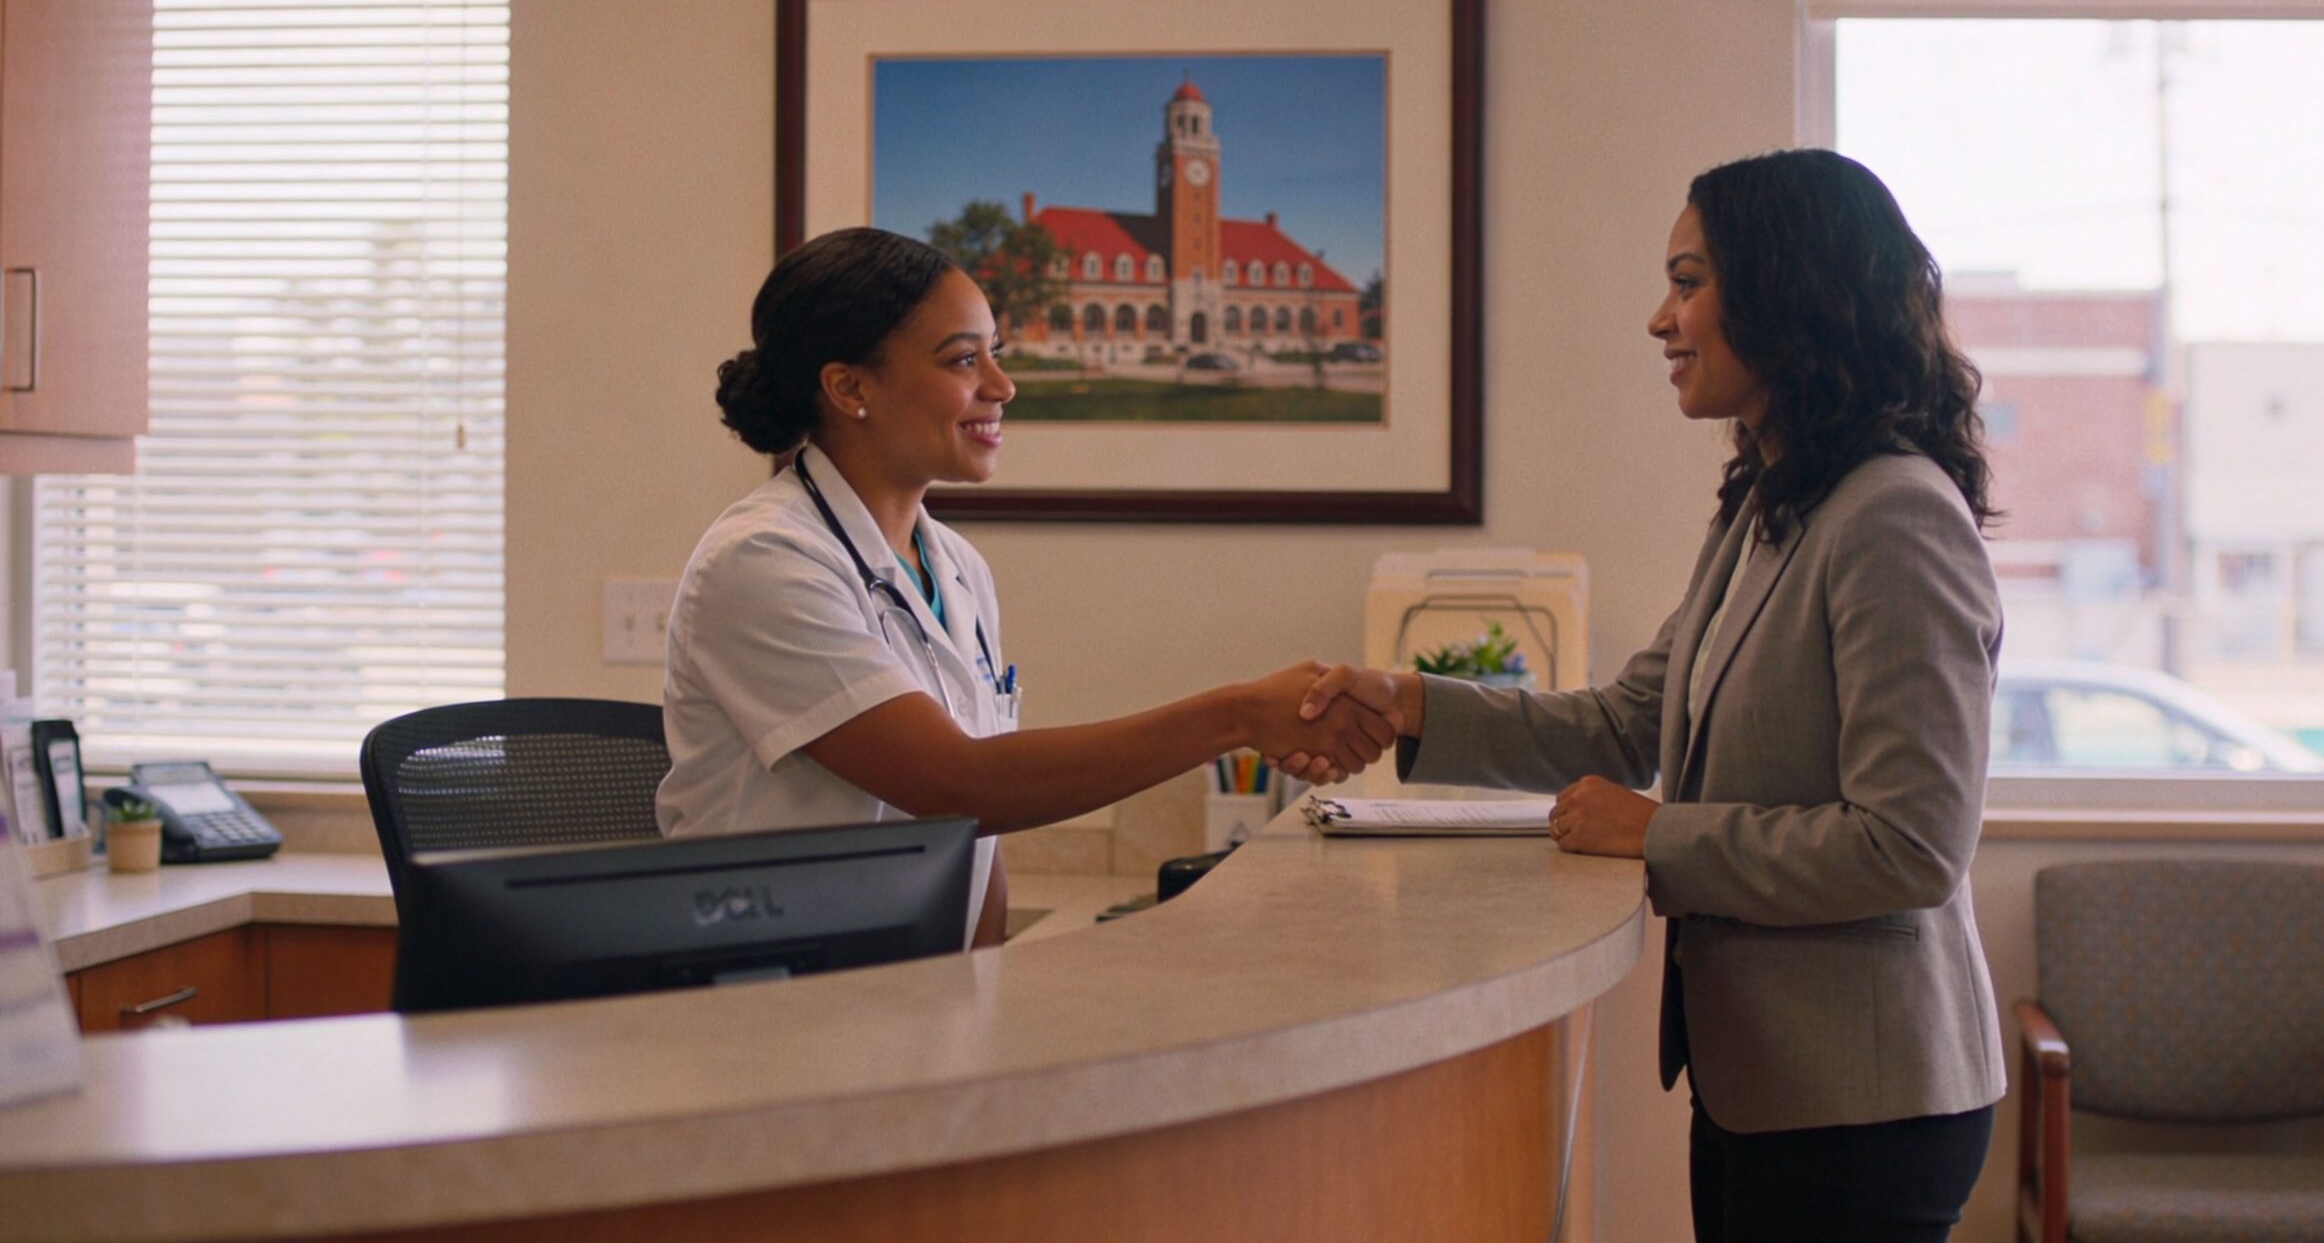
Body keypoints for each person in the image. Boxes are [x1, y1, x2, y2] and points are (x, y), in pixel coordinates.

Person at [1299, 150, 2007, 1241]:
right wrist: (1407, 701)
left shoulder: (1894, 517)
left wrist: (1660, 836)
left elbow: (1909, 845)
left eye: (1686, 282)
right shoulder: (1771, 505)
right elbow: (1626, 723)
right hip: (1761, 1083)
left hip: (1864, 1104)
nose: (1657, 320)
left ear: (1786, 291)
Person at [659, 227, 1394, 949]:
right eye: (962, 360)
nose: (1003, 387)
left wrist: (983, 1005)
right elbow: (957, 784)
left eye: (996, 356)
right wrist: (1235, 716)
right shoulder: (763, 559)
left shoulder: (954, 565)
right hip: (784, 1010)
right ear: (850, 387)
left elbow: (980, 837)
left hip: (914, 998)